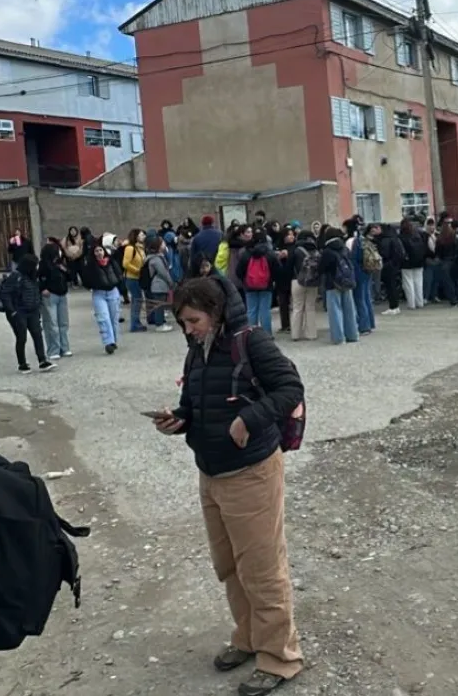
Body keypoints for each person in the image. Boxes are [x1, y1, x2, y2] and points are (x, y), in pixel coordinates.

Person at [153, 276, 305, 696]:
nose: (188, 329)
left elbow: (290, 388)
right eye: (183, 322)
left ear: (216, 312)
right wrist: (178, 419)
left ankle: (280, 657)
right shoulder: (196, 349)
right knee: (230, 565)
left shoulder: (250, 340)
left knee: (262, 568)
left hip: (251, 471)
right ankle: (250, 638)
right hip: (212, 472)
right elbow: (195, 405)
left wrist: (249, 419)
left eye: (194, 320)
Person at [0, 254, 55, 374]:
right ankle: (22, 364)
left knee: (37, 335)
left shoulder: (33, 276)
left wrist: (38, 305)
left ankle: (42, 360)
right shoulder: (15, 276)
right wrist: (12, 311)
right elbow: (5, 294)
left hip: (33, 310)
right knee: (21, 337)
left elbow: (36, 291)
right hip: (19, 312)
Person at [318, 228, 359, 345]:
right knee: (349, 309)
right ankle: (352, 334)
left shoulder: (327, 251)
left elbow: (322, 268)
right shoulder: (344, 249)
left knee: (335, 310)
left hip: (332, 283)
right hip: (347, 282)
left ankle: (339, 337)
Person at [82, 242, 123, 354]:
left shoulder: (111, 262)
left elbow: (119, 275)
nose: (99, 253)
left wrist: (122, 291)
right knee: (103, 318)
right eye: (96, 251)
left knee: (114, 318)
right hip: (99, 293)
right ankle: (108, 342)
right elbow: (85, 279)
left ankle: (114, 340)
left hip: (113, 291)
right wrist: (91, 286)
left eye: (100, 250)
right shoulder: (90, 265)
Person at [236, 229, 279, 334]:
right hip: (266, 286)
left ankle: (252, 335)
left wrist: (245, 280)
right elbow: (277, 269)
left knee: (251, 311)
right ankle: (267, 334)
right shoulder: (270, 253)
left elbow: (238, 271)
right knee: (265, 311)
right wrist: (271, 280)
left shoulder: (246, 253)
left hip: (250, 286)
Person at [38, 239, 72, 359]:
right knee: (51, 323)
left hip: (62, 294)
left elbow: (70, 276)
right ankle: (53, 349)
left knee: (63, 322)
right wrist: (43, 288)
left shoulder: (60, 264)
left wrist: (64, 269)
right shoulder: (43, 264)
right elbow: (38, 278)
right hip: (50, 295)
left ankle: (65, 347)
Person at [290, 230, 320, 341]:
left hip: (297, 280)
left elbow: (289, 266)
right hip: (313, 282)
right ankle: (311, 334)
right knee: (310, 307)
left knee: (297, 308)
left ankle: (295, 335)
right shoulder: (316, 251)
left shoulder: (296, 250)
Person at [145, 236, 176, 333]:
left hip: (160, 285)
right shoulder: (156, 259)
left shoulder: (158, 257)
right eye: (162, 243)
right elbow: (163, 273)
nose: (164, 245)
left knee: (161, 304)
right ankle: (159, 324)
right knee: (159, 306)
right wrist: (171, 282)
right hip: (158, 285)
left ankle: (161, 321)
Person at [122, 229, 148, 333]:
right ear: (136, 236)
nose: (143, 236)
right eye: (141, 235)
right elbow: (125, 263)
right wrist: (137, 270)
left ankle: (136, 322)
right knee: (137, 300)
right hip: (132, 278)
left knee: (136, 300)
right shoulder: (130, 248)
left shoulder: (140, 248)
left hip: (137, 278)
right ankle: (134, 324)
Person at [399, 218, 427, 310]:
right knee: (419, 282)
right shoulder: (418, 235)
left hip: (407, 263)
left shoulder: (401, 237)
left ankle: (411, 304)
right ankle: (420, 302)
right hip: (419, 262)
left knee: (408, 283)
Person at [378, 223, 405, 315]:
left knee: (390, 287)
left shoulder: (385, 240)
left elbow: (384, 253)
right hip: (395, 265)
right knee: (393, 286)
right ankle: (396, 306)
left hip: (388, 265)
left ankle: (393, 306)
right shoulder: (395, 238)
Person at [274, 228, 296, 333]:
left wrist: (288, 256)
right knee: (283, 303)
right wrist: (278, 256)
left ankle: (296, 325)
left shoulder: (295, 247)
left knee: (295, 303)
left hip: (293, 278)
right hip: (281, 279)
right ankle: (285, 325)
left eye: (292, 234)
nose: (291, 236)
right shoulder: (278, 246)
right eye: (288, 235)